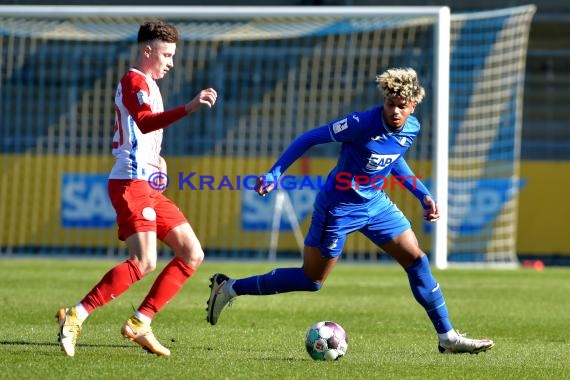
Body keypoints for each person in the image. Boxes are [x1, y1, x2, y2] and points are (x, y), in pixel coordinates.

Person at [206, 67, 494, 354]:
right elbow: (308, 138)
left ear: (413, 107)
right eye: (390, 104)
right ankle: (229, 288)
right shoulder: (360, 123)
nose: (395, 111)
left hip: (376, 204)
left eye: (401, 107)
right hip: (339, 207)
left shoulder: (412, 127)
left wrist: (423, 194)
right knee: (312, 280)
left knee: (417, 260)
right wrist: (274, 173)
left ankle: (448, 337)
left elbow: (393, 160)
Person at [56, 20, 218, 357]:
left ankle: (141, 321)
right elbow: (143, 121)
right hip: (129, 184)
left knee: (192, 253)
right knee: (144, 261)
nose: (171, 62)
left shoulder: (151, 84)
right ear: (148, 50)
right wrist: (189, 107)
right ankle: (76, 315)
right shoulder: (133, 80)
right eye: (167, 54)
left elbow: (141, 134)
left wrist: (158, 159)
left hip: (147, 184)